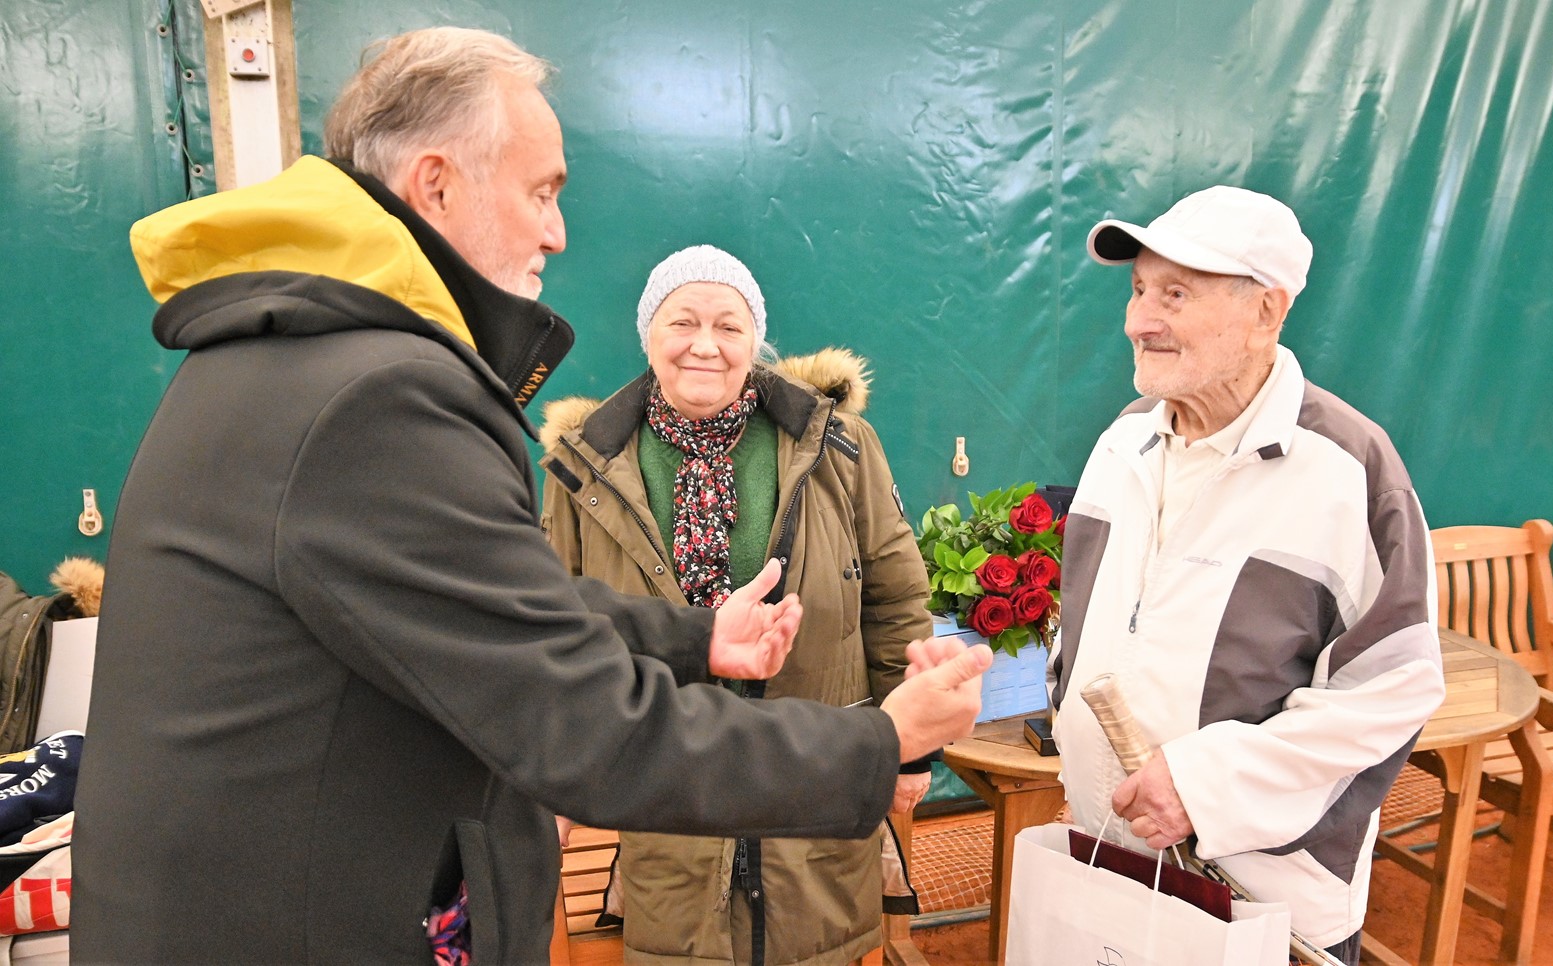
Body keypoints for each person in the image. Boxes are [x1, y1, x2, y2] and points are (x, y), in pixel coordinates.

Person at [70, 27, 991, 965]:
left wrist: (694, 637)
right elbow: (587, 721)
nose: (557, 231)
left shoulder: (304, 352)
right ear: (437, 185)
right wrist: (877, 745)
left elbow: (497, 603)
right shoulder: (378, 396)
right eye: (541, 192)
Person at [1046, 185, 1446, 964]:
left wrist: (1205, 784)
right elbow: (1087, 623)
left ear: (1267, 311)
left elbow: (1393, 691)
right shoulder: (1121, 444)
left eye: (1174, 294)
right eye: (1136, 290)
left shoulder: (1350, 471)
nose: (1136, 320)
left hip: (1262, 904)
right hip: (1107, 859)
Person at [539, 245, 933, 965]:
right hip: (667, 786)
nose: (705, 345)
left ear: (756, 340)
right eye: (681, 321)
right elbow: (557, 625)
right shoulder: (584, 466)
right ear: (647, 335)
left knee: (821, 947)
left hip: (816, 767)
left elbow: (895, 591)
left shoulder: (839, 446)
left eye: (729, 325)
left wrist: (909, 751)